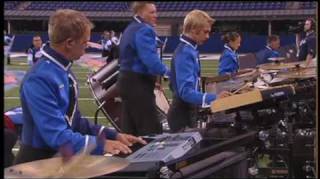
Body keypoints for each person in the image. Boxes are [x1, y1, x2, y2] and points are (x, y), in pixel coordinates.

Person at [14, 9, 146, 165]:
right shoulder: (39, 79)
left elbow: (75, 122)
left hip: (58, 159)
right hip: (36, 163)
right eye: (85, 42)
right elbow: (56, 135)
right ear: (69, 43)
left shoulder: (63, 70)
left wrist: (113, 135)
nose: (87, 46)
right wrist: (101, 144)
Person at [167, 10, 231, 133]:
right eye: (205, 32)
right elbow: (185, 92)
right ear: (193, 29)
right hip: (181, 116)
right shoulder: (185, 53)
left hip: (187, 111)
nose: (208, 36)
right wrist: (214, 98)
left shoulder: (190, 49)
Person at [117, 2, 170, 136]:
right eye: (151, 12)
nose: (155, 16)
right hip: (138, 84)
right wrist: (170, 73)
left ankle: (130, 157)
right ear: (140, 13)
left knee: (130, 131)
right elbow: (150, 60)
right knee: (150, 131)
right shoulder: (144, 29)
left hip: (125, 81)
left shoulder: (130, 28)